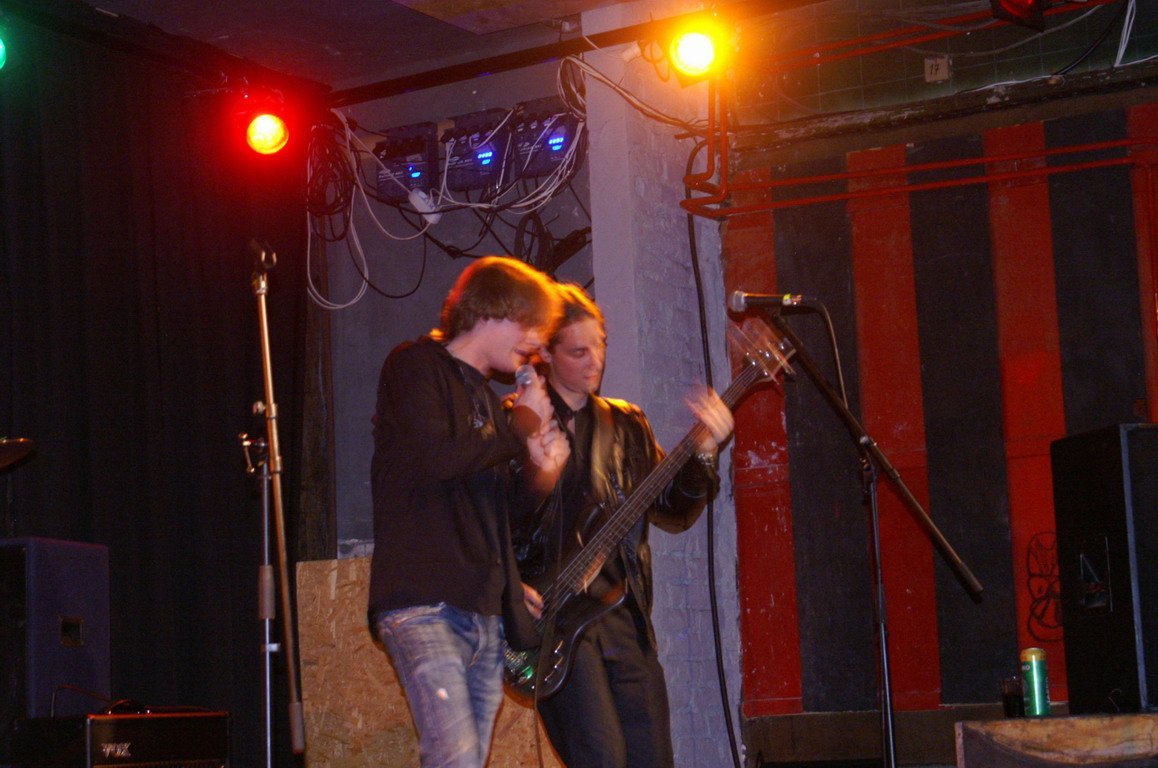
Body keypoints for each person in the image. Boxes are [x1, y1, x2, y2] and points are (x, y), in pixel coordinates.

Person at [513, 283, 734, 767]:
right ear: (545, 354)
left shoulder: (627, 425)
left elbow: (673, 511)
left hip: (623, 614)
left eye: (601, 345)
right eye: (578, 351)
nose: (595, 361)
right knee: (602, 756)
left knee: (652, 756)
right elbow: (492, 524)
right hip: (560, 623)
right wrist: (510, 588)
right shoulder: (518, 425)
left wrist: (704, 453)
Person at [367, 256, 568, 768]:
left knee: (467, 761)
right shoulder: (414, 366)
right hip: (424, 604)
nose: (536, 344)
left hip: (483, 611)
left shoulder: (490, 402)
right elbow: (436, 459)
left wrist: (540, 471)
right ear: (491, 311)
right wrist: (521, 427)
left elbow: (497, 513)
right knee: (453, 759)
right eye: (529, 324)